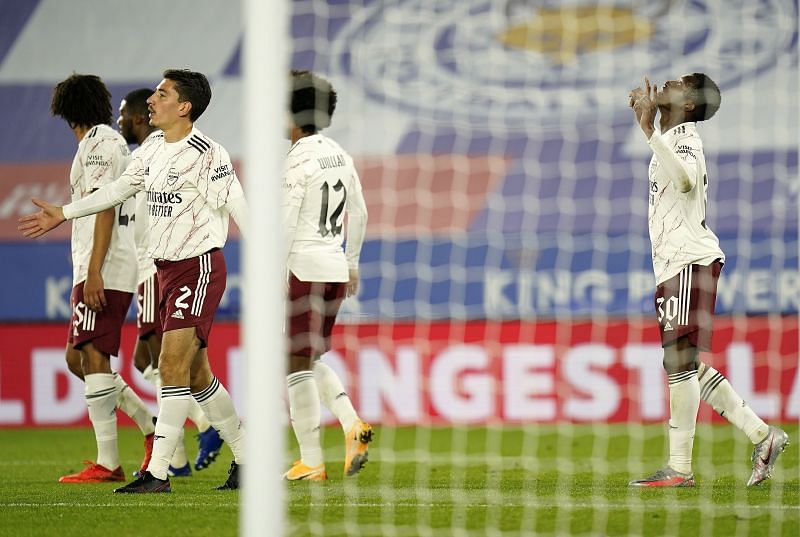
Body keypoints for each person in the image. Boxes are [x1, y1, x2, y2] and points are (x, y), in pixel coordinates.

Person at [20, 69, 247, 493]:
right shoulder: (151, 150)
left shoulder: (209, 154)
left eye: (162, 94)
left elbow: (239, 206)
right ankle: (249, 458)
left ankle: (157, 473)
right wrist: (64, 213)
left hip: (197, 267)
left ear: (184, 107)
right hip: (163, 272)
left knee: (172, 366)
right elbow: (116, 192)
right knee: (196, 375)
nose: (151, 100)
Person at [627, 74, 789, 487]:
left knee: (679, 363)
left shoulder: (685, 140)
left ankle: (679, 468)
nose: (667, 81)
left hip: (688, 261)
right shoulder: (674, 136)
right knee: (684, 363)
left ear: (689, 104)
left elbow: (682, 181)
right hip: (674, 264)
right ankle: (762, 435)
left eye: (678, 83)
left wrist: (648, 133)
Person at [46, 74, 157, 484]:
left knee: (92, 355)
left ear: (65, 109)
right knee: (78, 358)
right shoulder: (101, 142)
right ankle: (150, 425)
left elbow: (105, 208)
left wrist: (93, 271)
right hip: (99, 263)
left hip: (105, 266)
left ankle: (108, 462)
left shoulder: (99, 143)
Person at [117, 88, 225, 478]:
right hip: (154, 267)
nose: (122, 120)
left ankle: (194, 433)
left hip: (160, 267)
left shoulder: (169, 155)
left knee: (157, 356)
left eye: (126, 114)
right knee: (160, 361)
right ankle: (178, 457)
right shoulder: (148, 156)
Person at [282, 70, 373, 481]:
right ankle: (347, 429)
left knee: (294, 364)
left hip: (302, 267)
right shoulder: (339, 153)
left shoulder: (297, 159)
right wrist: (351, 262)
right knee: (307, 357)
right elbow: (362, 212)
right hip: (335, 267)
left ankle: (314, 459)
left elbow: (284, 226)